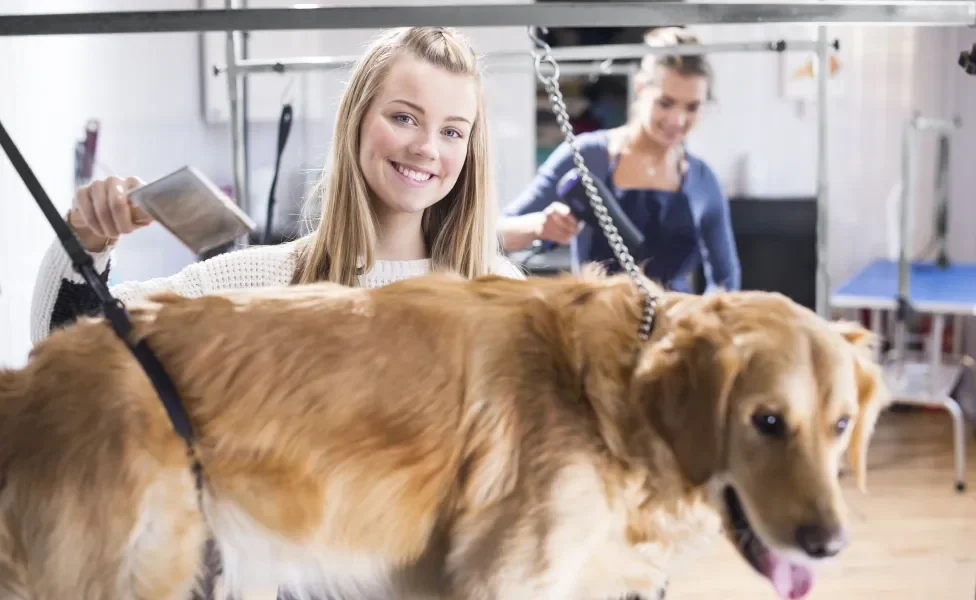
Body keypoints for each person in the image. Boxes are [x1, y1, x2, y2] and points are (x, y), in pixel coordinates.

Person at [30, 26, 524, 344]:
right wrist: (86, 238)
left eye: (452, 131)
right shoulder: (258, 285)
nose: (426, 148)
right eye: (403, 117)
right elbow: (66, 348)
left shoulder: (502, 295)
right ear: (355, 120)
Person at [499, 27, 740, 295]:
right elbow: (494, 236)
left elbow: (725, 281)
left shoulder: (703, 181)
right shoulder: (586, 155)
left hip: (675, 330)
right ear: (640, 88)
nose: (677, 120)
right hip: (599, 326)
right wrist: (537, 226)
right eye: (665, 103)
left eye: (692, 107)